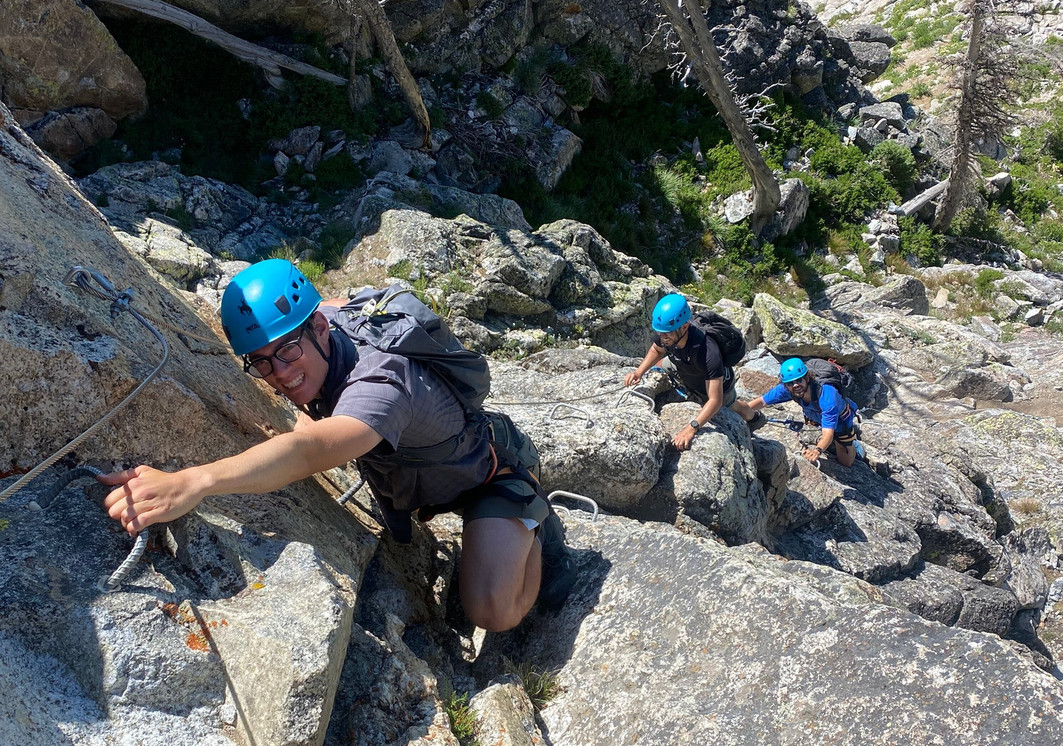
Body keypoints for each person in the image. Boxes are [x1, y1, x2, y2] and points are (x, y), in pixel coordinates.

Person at [99, 259, 577, 631]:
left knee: (492, 611)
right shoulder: (320, 319)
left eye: (287, 351)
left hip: (491, 472)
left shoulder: (382, 386)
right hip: (433, 472)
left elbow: (309, 452)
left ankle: (535, 521)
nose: (281, 374)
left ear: (320, 331)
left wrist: (194, 481)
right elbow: (331, 299)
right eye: (261, 363)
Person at [623, 293, 766, 450]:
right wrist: (639, 372)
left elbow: (715, 400)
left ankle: (754, 417)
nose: (663, 337)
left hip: (718, 385)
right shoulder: (668, 332)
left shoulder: (708, 351)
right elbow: (656, 350)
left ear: (684, 327)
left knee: (731, 406)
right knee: (661, 364)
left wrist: (691, 428)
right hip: (685, 367)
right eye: (660, 333)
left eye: (667, 333)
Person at [745, 358, 860, 467]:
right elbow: (761, 402)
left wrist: (817, 450)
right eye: (790, 383)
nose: (795, 385)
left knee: (846, 462)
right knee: (824, 438)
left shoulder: (828, 397)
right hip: (816, 416)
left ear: (807, 378)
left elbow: (828, 433)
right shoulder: (786, 389)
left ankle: (853, 443)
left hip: (840, 420)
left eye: (799, 380)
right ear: (785, 385)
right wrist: (740, 411)